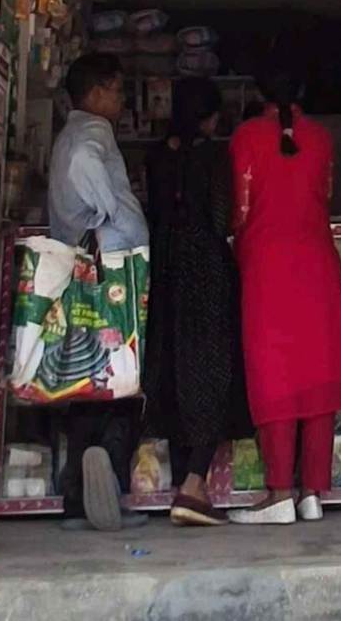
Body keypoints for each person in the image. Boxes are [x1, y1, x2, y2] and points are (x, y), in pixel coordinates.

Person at [227, 66, 341, 525]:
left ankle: (279, 491)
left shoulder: (246, 136)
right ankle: (311, 493)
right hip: (318, 264)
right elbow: (324, 193)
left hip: (266, 267)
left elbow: (240, 209)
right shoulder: (321, 138)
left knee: (275, 376)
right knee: (317, 376)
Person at [143, 78, 252, 527]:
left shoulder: (157, 155)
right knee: (213, 371)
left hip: (166, 266)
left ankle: (185, 483)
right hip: (206, 268)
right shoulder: (213, 156)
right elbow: (223, 217)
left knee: (173, 367)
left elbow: (154, 209)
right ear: (209, 117)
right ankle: (193, 483)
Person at [48, 53, 150, 531]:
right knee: (120, 374)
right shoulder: (93, 131)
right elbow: (86, 166)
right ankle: (110, 478)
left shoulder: (68, 133)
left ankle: (76, 497)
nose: (121, 100)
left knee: (85, 374)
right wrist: (111, 212)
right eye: (117, 90)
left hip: (83, 271)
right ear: (95, 93)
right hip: (111, 271)